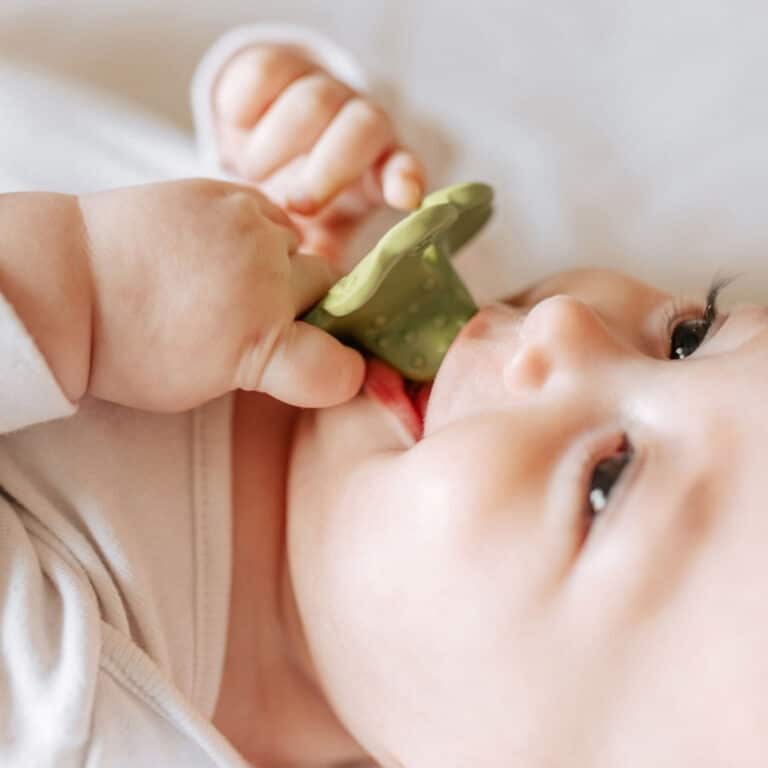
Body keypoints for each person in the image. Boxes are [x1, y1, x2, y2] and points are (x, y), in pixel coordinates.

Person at [1, 24, 767, 768]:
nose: (568, 324)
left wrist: (87, 288)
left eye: (607, 480)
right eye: (689, 336)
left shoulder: (74, 714)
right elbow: (362, 156)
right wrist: (299, 138)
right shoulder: (444, 347)